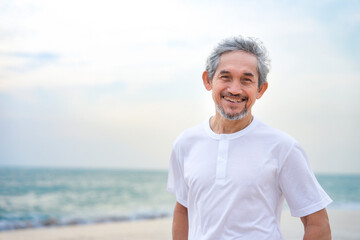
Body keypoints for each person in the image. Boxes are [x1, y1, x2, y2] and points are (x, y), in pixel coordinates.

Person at [166, 35, 332, 239]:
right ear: (208, 80)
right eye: (225, 77)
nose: (235, 89)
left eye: (246, 80)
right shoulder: (185, 143)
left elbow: (317, 224)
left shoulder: (283, 147)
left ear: (260, 89)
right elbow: (183, 210)